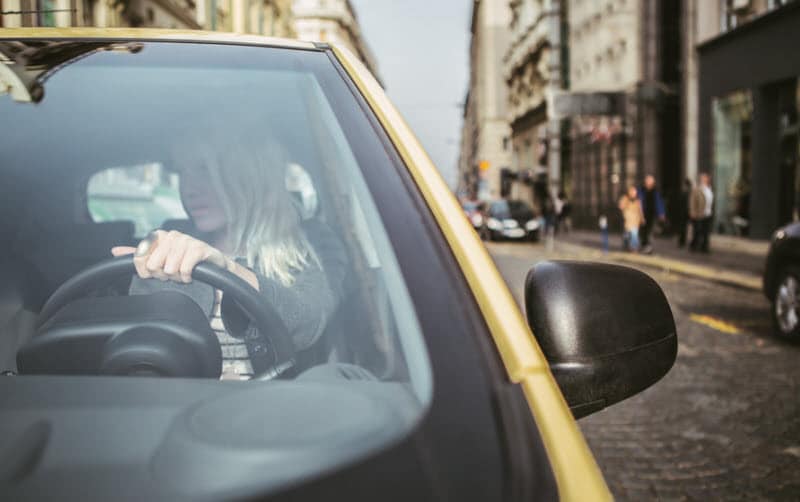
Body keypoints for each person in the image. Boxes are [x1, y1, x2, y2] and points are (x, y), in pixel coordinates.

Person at [111, 134, 347, 380]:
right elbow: (142, 359)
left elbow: (310, 322)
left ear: (251, 173)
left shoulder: (312, 241)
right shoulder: (167, 251)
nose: (189, 189)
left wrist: (226, 268)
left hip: (281, 409)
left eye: (205, 169)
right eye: (183, 172)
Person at [637, 174, 665, 254]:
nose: (648, 183)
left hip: (652, 214)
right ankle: (645, 246)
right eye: (647, 181)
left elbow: (659, 202)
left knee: (649, 231)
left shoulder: (656, 191)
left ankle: (648, 247)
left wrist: (661, 213)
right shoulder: (641, 190)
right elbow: (638, 202)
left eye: (650, 181)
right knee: (643, 231)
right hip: (642, 213)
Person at [689, 172, 713, 253]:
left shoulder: (709, 189)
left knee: (706, 232)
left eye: (705, 178)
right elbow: (692, 202)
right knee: (697, 231)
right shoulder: (697, 189)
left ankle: (705, 248)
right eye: (702, 178)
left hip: (708, 213)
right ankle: (694, 246)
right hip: (699, 213)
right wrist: (692, 212)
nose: (704, 179)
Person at [619, 185, 645, 252]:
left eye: (634, 192)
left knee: (634, 234)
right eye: (632, 192)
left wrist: (642, 218)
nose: (633, 193)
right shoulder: (625, 198)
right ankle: (625, 246)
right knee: (626, 235)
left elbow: (640, 210)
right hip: (627, 220)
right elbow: (621, 207)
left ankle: (634, 248)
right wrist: (626, 203)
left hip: (635, 221)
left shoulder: (638, 201)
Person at [676, 178, 692, 248]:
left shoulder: (686, 193)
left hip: (684, 213)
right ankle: (682, 241)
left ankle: (682, 241)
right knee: (683, 228)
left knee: (683, 228)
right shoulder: (687, 193)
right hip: (684, 213)